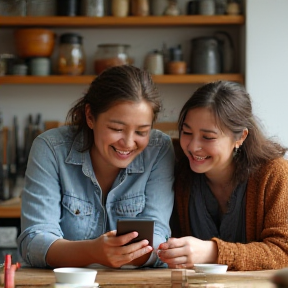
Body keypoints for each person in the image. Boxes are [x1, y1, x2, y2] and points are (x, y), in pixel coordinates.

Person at [17, 65, 175, 269]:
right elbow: (34, 240)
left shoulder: (159, 149)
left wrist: (128, 253)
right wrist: (93, 252)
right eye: (116, 129)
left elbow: (158, 235)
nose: (128, 143)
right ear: (90, 116)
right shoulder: (51, 148)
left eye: (141, 132)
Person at [157, 80, 288, 271]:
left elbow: (283, 252)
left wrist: (213, 253)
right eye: (186, 132)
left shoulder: (274, 174)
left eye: (208, 137)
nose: (193, 147)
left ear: (240, 137)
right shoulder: (178, 172)